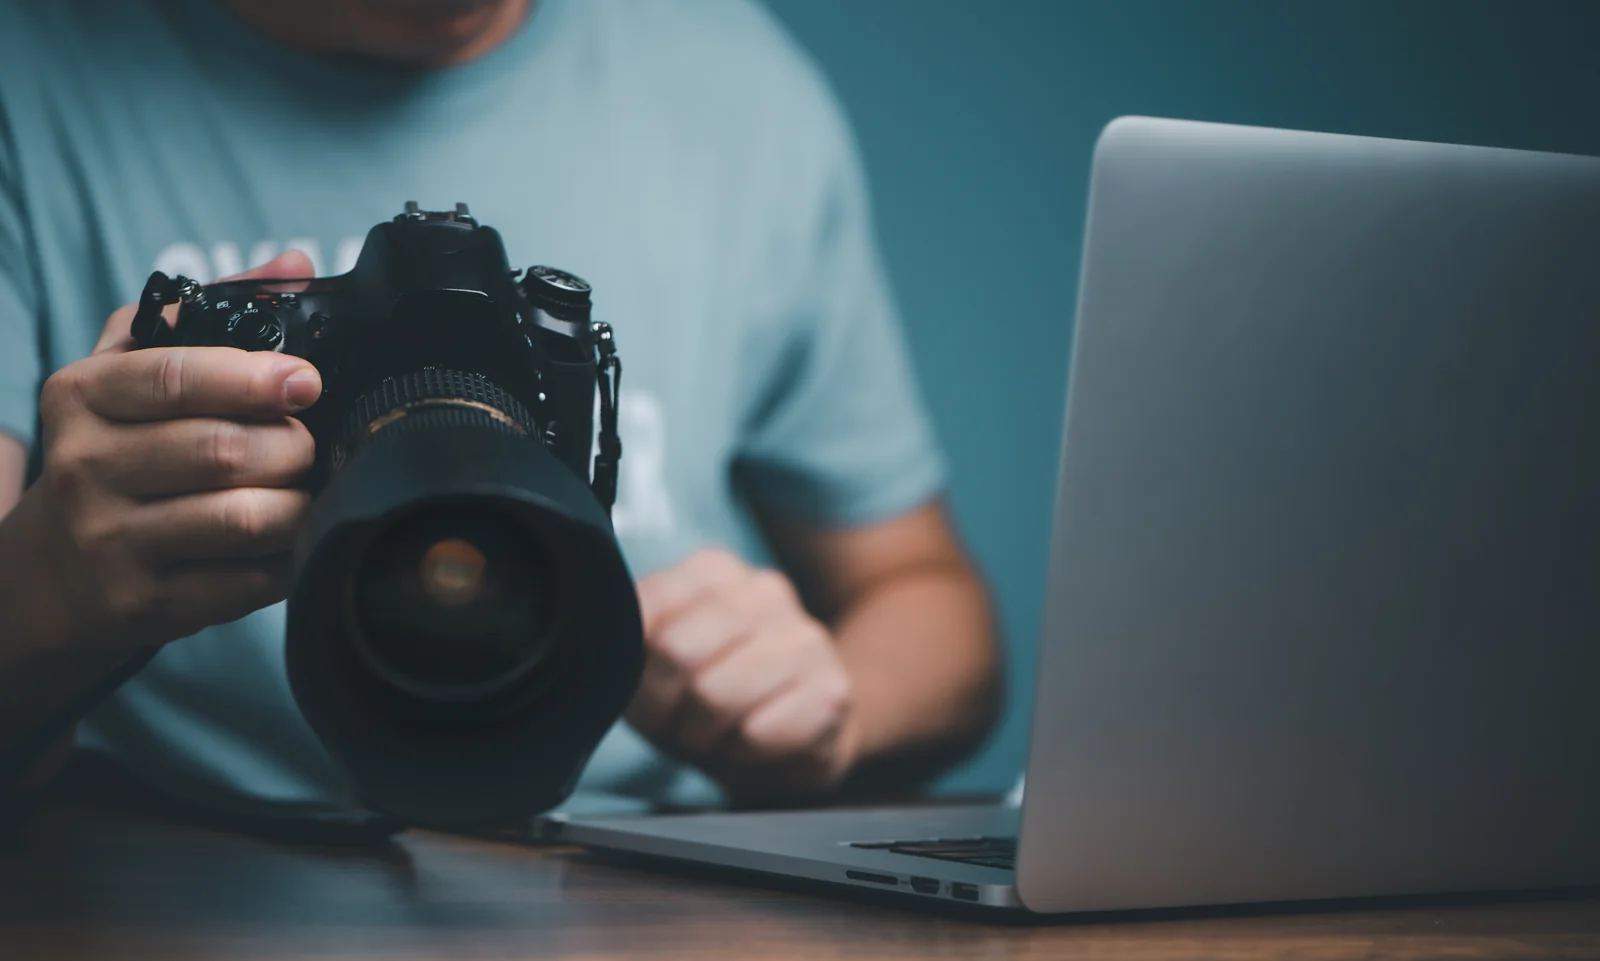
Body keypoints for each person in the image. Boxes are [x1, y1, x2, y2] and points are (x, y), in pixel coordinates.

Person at [0, 0, 1000, 825]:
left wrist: (830, 704)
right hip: (200, 859)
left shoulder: (738, 81)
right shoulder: (30, 75)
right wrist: (47, 587)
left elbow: (930, 602)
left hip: (645, 873)